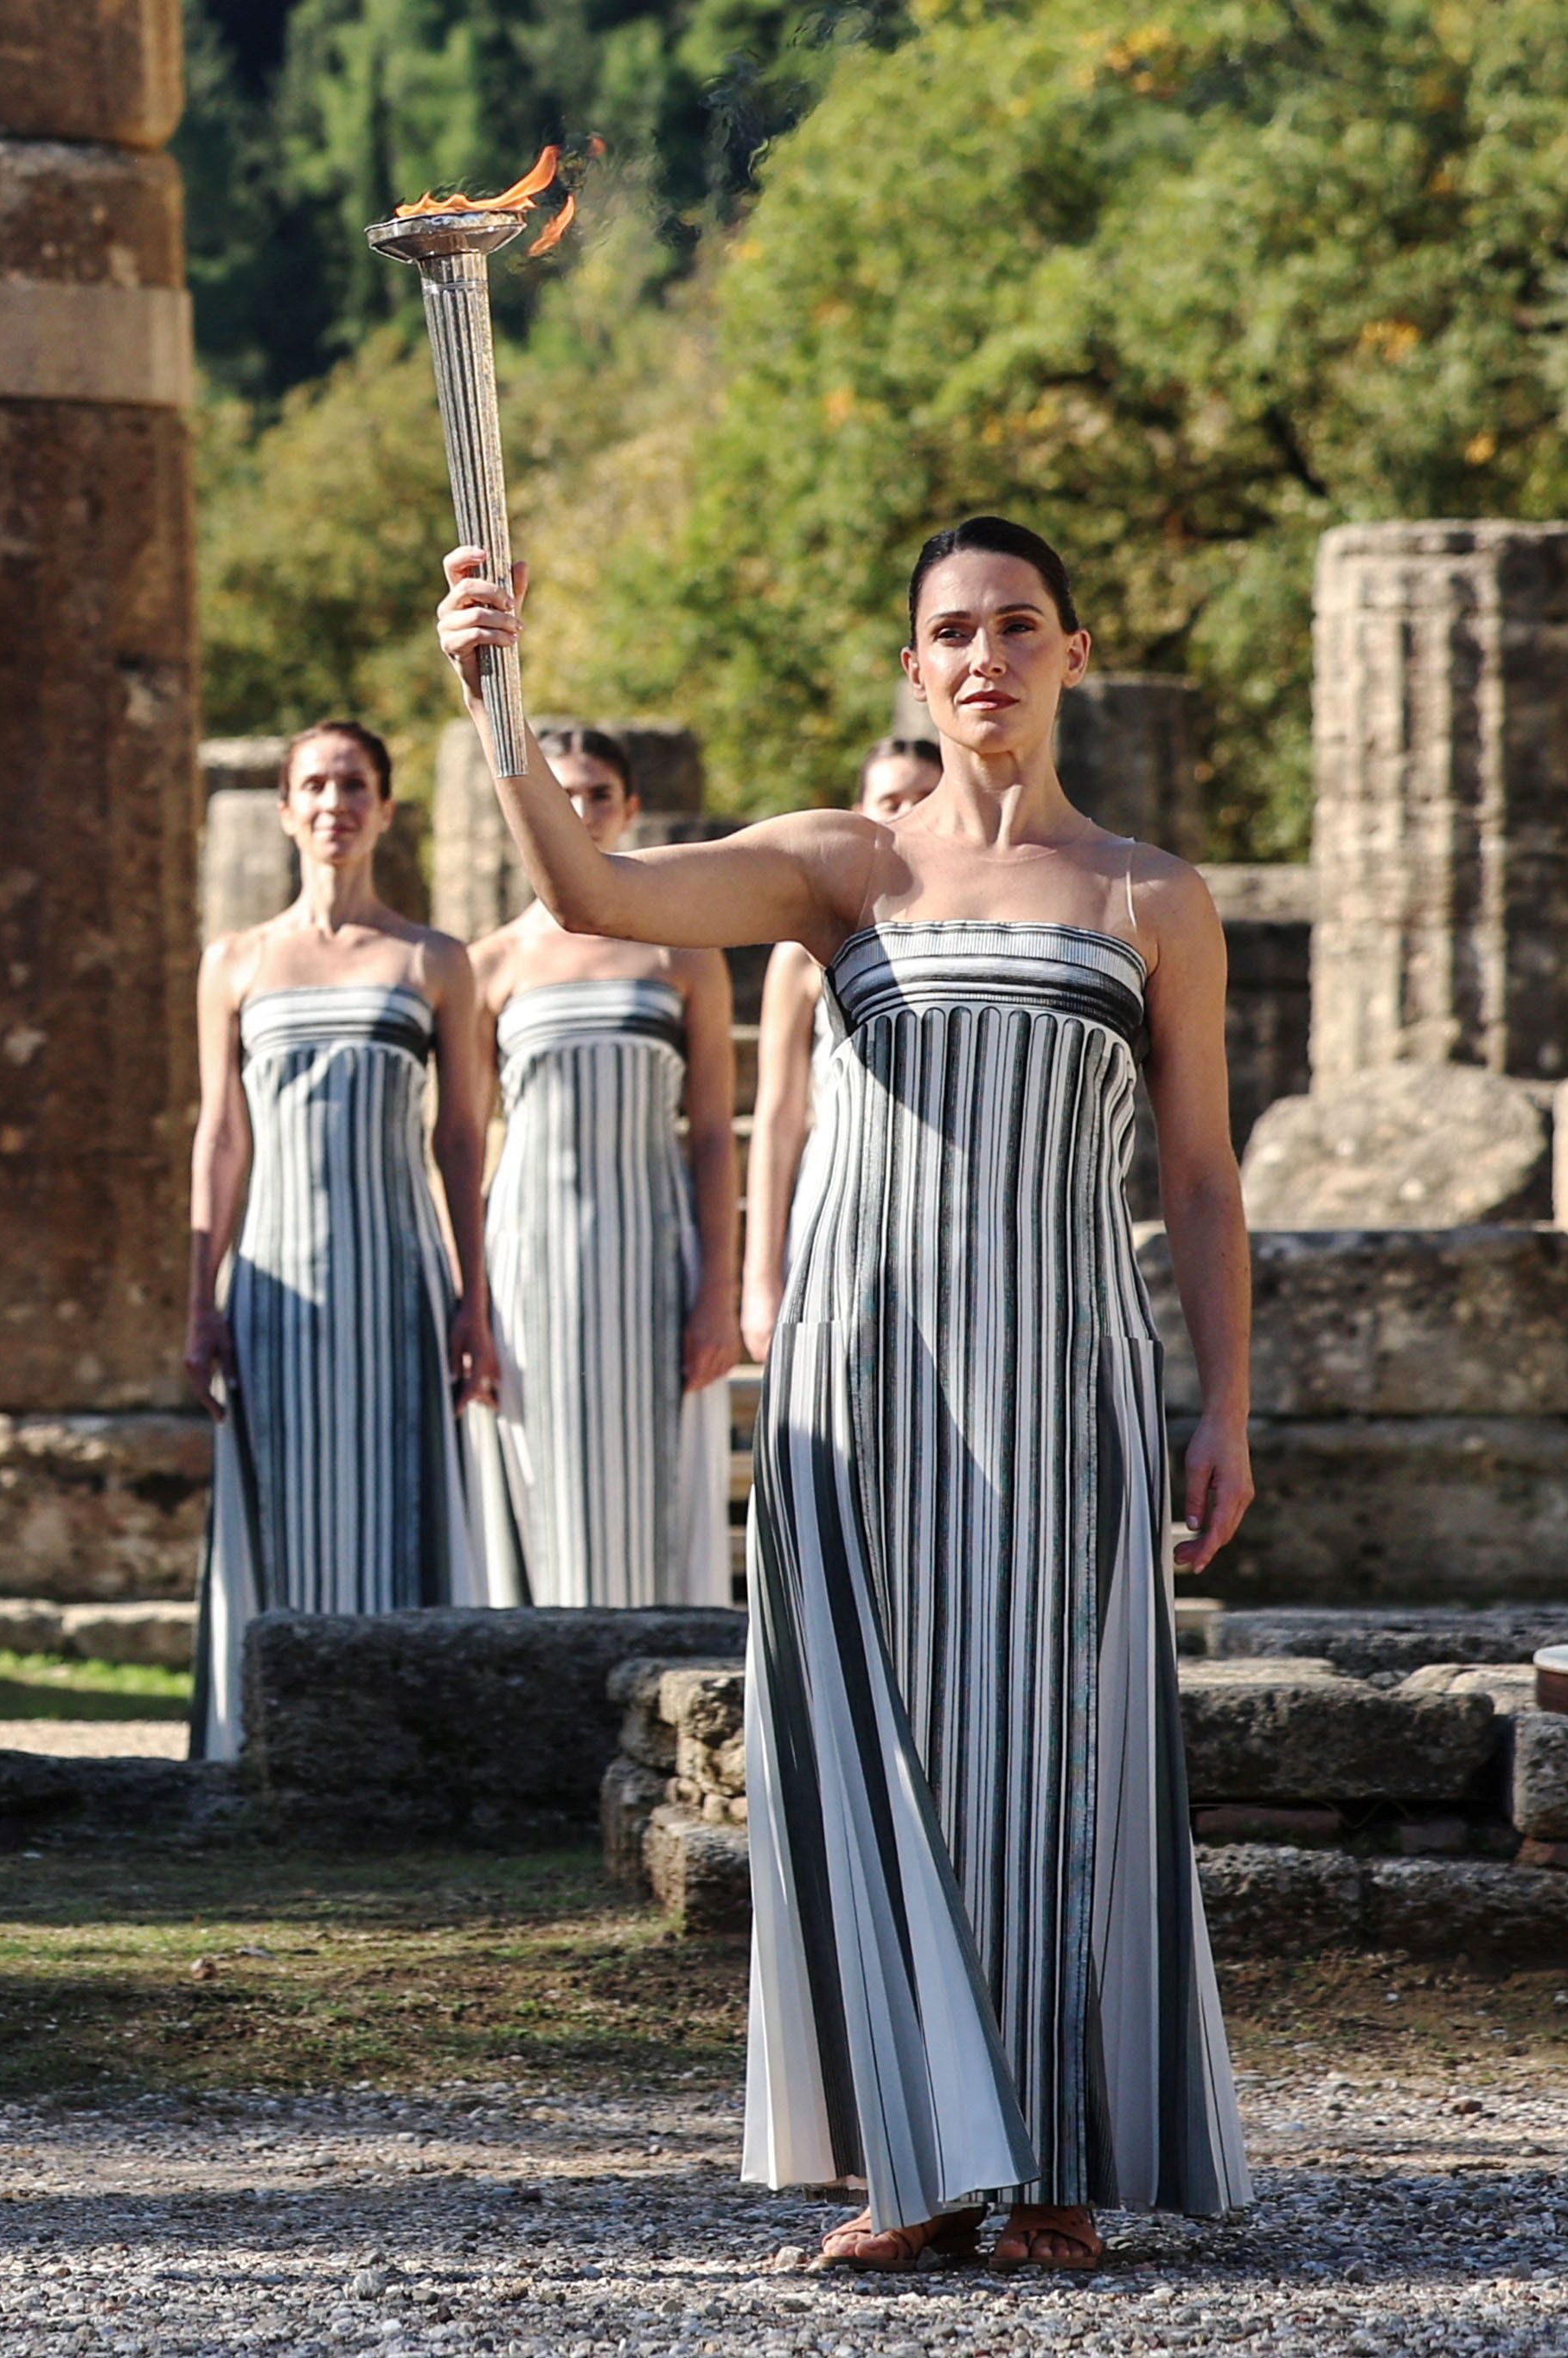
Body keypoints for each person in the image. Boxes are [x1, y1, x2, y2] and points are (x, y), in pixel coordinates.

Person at [438, 515, 1251, 2271]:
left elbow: (1195, 1178)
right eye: (952, 630)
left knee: (1062, 1753)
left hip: (1069, 1379)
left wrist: (1225, 1406)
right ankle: (908, 2159)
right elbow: (600, 900)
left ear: (1068, 653)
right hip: (859, 1383)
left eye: (1018, 625)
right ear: (913, 666)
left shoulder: (1148, 897)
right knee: (857, 1753)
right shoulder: (841, 871)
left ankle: (1049, 2167)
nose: (985, 656)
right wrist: (497, 706)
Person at [182, 720, 494, 1761]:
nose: (333, 802)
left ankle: (397, 1747)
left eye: (353, 784)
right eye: (312, 784)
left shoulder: (433, 960)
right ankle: (269, 1747)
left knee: (396, 1499)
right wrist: (199, 1301)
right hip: (271, 1280)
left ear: (384, 809)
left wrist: (472, 1299)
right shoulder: (233, 963)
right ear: (284, 808)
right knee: (283, 1504)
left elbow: (460, 1137)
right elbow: (220, 1135)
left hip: (395, 1275)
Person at [466, 724, 739, 1608]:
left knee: (652, 1485)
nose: (576, 811)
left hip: (651, 1252)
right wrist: (465, 1297)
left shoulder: (682, 949)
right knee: (534, 1482)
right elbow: (465, 1138)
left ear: (626, 810)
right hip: (525, 1257)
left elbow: (707, 1131)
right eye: (558, 792)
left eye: (593, 794)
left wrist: (717, 1292)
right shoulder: (490, 965)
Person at [740, 739, 941, 1360]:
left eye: (924, 798)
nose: (905, 813)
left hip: (946, 1205)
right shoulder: (804, 943)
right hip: (837, 1191)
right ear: (860, 809)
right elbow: (777, 1118)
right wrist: (760, 1278)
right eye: (890, 799)